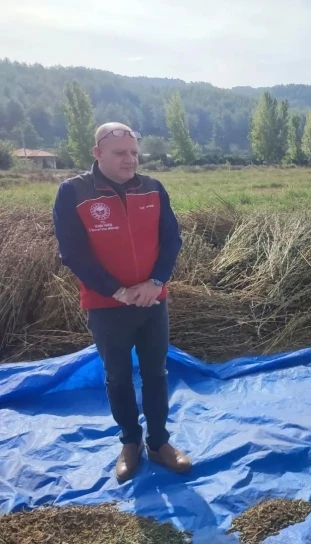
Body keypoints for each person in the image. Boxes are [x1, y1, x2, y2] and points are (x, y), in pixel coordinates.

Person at [52, 122, 191, 482]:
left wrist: (155, 282)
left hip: (151, 301)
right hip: (106, 305)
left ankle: (159, 444)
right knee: (117, 376)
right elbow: (73, 253)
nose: (130, 160)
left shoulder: (153, 189)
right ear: (97, 153)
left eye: (134, 152)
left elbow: (171, 240)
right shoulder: (74, 192)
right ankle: (130, 443)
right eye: (120, 153)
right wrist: (118, 291)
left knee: (156, 373)